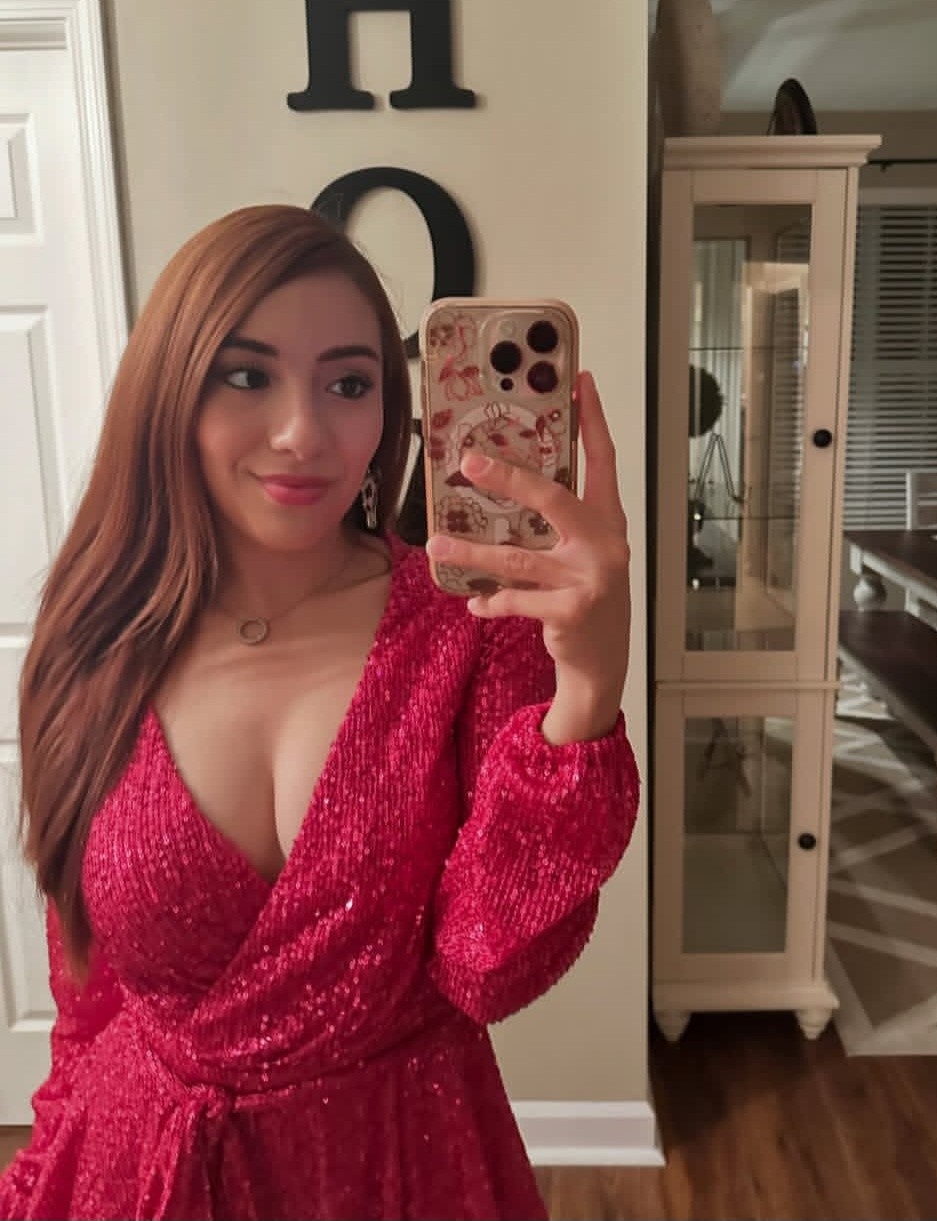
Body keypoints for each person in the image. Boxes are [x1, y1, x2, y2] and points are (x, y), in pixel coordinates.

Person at [0, 204, 639, 1221]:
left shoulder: (476, 627)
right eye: (246, 376)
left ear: (394, 409)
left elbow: (485, 969)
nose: (302, 433)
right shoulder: (97, 642)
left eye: (348, 384)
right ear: (170, 390)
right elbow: (88, 1005)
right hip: (143, 1175)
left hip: (405, 1169)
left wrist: (588, 697)